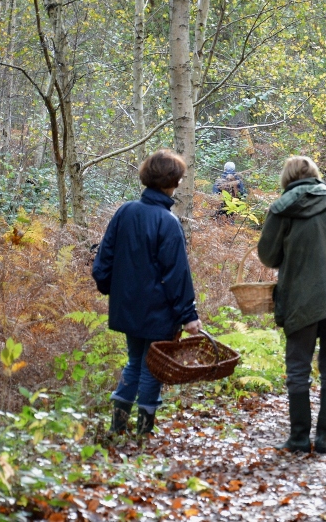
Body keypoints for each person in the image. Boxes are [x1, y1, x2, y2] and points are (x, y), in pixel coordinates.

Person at [258, 156, 326, 454]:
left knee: (297, 369)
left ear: (286, 178)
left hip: (299, 298)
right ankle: (324, 438)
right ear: (315, 174)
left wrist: (291, 256)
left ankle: (297, 437)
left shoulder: (281, 207)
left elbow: (267, 255)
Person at [92, 149, 203, 436]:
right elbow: (177, 275)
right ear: (173, 182)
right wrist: (188, 316)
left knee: (134, 363)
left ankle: (118, 428)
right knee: (152, 368)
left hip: (128, 308)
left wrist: (112, 290)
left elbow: (104, 259)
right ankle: (143, 433)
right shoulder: (168, 222)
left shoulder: (125, 211)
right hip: (158, 313)